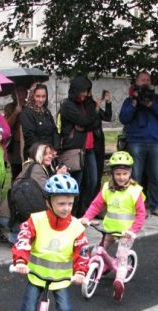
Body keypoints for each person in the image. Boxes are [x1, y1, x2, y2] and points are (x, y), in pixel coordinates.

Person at [5, 174, 88, 311]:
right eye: (61, 204)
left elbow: (82, 252)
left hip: (61, 279)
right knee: (27, 309)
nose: (66, 208)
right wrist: (20, 261)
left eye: (69, 203)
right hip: (36, 275)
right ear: (49, 202)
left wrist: (81, 272)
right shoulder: (36, 220)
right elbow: (24, 239)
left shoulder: (76, 227)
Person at [80, 151, 147, 301]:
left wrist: (132, 230)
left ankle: (119, 282)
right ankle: (101, 267)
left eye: (124, 173)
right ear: (112, 174)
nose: (121, 177)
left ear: (130, 173)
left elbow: (141, 214)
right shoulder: (107, 188)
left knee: (122, 256)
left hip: (126, 233)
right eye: (118, 174)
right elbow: (96, 205)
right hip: (109, 229)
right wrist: (86, 217)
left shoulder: (135, 191)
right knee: (97, 250)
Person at [119, 70, 158, 218]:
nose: (145, 82)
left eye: (147, 79)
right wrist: (135, 103)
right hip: (135, 142)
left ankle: (155, 206)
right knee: (136, 177)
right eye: (142, 79)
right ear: (136, 82)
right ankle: (137, 208)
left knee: (155, 176)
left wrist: (151, 104)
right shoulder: (130, 101)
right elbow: (124, 118)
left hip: (154, 142)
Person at [58, 75, 99, 216]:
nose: (85, 94)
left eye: (87, 91)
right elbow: (86, 120)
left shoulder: (87, 103)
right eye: (83, 91)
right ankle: (72, 215)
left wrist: (86, 124)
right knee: (76, 184)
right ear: (76, 90)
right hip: (75, 149)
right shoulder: (68, 105)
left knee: (92, 181)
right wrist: (87, 122)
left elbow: (93, 122)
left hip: (90, 148)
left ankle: (84, 212)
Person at [20, 83, 59, 159]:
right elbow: (29, 136)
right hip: (35, 155)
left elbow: (54, 131)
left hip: (50, 154)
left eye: (43, 96)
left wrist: (55, 148)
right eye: (38, 96)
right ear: (32, 96)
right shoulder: (26, 113)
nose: (41, 100)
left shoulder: (46, 112)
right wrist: (44, 151)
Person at [3, 85, 28, 179]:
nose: (20, 94)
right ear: (13, 94)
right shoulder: (9, 107)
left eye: (22, 91)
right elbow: (6, 126)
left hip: (27, 142)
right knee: (16, 173)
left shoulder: (29, 106)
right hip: (15, 145)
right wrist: (15, 113)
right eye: (17, 92)